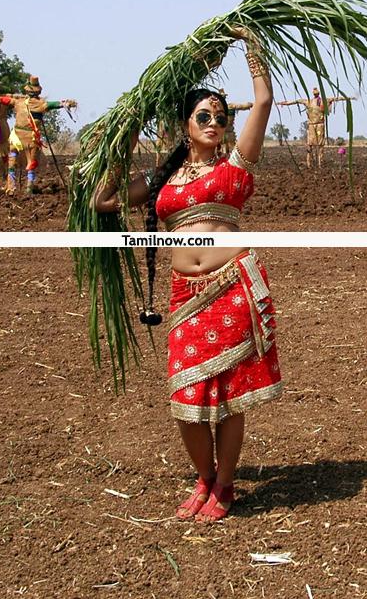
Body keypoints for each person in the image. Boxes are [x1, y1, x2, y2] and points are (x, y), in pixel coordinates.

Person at [93, 27, 282, 522]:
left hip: (233, 285)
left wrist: (251, 45)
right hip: (186, 293)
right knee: (187, 395)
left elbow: (262, 101)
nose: (215, 122)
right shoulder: (164, 179)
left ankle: (223, 485)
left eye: (221, 116)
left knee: (228, 394)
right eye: (204, 116)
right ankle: (203, 476)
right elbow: (104, 201)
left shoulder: (237, 164)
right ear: (185, 125)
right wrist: (124, 137)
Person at [0, 76, 77, 195]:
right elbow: (56, 104)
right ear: (38, 91)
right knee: (31, 163)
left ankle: (12, 187)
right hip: (31, 138)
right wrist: (67, 103)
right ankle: (28, 188)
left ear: (27, 91)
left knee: (12, 161)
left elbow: (4, 100)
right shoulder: (41, 104)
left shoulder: (18, 102)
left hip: (17, 138)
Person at [277, 88, 347, 169]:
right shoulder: (308, 101)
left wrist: (348, 98)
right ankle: (309, 164)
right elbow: (295, 101)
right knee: (310, 144)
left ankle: (320, 164)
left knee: (320, 145)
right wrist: (283, 103)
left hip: (320, 125)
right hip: (311, 125)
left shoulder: (323, 101)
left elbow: (337, 98)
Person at [219, 90, 253, 154]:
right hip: (221, 134)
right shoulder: (216, 108)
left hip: (228, 133)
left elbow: (242, 106)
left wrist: (250, 105)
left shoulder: (230, 106)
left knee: (231, 152)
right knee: (222, 152)